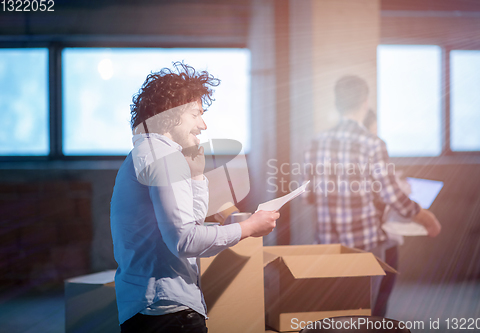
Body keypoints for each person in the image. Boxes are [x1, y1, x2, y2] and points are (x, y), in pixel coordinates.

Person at [110, 62, 279, 333]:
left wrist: (197, 177)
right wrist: (248, 228)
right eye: (196, 114)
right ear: (171, 113)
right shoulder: (164, 157)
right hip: (170, 313)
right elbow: (185, 241)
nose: (203, 124)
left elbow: (190, 225)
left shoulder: (145, 153)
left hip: (149, 307)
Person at [302, 75, 441, 317]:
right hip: (364, 245)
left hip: (326, 244)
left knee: (335, 315)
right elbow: (392, 195)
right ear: (365, 102)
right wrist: (424, 216)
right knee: (367, 317)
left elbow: (309, 196)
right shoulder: (373, 143)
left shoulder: (316, 143)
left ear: (337, 103)